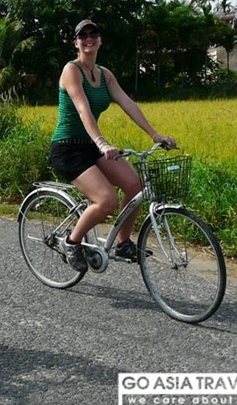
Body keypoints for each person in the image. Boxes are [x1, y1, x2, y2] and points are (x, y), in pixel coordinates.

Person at [49, 20, 176, 271]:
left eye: (93, 33)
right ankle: (71, 242)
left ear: (100, 40)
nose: (88, 38)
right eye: (82, 35)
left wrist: (154, 134)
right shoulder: (71, 70)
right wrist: (101, 141)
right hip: (67, 148)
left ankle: (123, 242)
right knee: (106, 200)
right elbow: (83, 108)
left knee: (134, 185)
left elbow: (128, 104)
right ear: (76, 42)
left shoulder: (105, 75)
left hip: (91, 146)